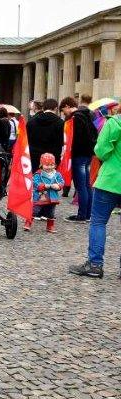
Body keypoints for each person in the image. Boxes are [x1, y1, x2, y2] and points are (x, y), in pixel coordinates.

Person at [70, 111, 121, 279]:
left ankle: (95, 264)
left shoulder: (115, 122)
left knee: (98, 222)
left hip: (111, 180)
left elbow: (100, 151)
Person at [60, 96, 97, 222]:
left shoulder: (75, 118)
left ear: (67, 106)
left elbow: (75, 139)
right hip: (87, 155)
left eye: (63, 110)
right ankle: (88, 214)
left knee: (81, 186)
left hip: (78, 155)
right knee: (87, 185)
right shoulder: (87, 115)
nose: (64, 113)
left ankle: (82, 215)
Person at [28, 152, 63, 233]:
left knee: (51, 213)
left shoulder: (57, 174)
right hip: (40, 197)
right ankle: (28, 222)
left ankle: (50, 226)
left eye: (51, 165)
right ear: (41, 165)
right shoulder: (38, 174)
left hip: (52, 197)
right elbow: (35, 183)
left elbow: (61, 182)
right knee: (35, 210)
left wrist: (59, 186)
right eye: (47, 165)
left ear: (54, 165)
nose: (49, 167)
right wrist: (44, 186)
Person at [27, 98, 64, 172]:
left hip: (35, 155)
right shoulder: (60, 122)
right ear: (56, 108)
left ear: (43, 108)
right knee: (50, 179)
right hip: (53, 156)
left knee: (36, 178)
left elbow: (27, 139)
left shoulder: (31, 121)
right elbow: (61, 141)